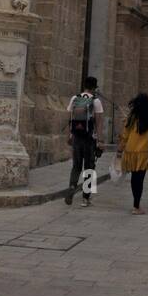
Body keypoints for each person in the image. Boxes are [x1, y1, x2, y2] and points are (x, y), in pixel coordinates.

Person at [118, 92, 148, 214]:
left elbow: (124, 136)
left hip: (130, 152)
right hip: (143, 154)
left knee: (134, 178)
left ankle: (135, 206)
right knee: (140, 179)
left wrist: (119, 150)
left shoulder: (131, 118)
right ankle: (136, 206)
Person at [65, 77, 105, 207]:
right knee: (89, 168)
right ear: (94, 88)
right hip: (89, 139)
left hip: (77, 137)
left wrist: (69, 135)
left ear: (84, 86)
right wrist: (100, 141)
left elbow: (70, 119)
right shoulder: (96, 101)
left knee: (76, 166)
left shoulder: (74, 98)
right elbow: (99, 123)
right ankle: (85, 199)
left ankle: (72, 186)